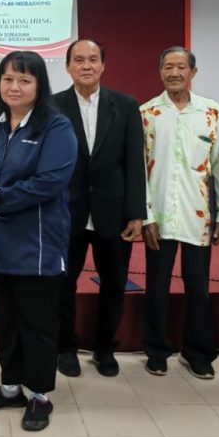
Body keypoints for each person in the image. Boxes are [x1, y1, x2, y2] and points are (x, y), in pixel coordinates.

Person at [0, 50, 77, 432]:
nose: (14, 86)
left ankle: (40, 395)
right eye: (8, 78)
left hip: (35, 246)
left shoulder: (56, 127)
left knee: (37, 326)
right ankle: (10, 387)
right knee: (5, 322)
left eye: (25, 80)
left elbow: (48, 183)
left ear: (39, 85)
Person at [52, 39, 146, 377]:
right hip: (66, 214)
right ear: (68, 66)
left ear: (103, 65)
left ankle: (105, 348)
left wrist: (136, 213)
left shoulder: (126, 105)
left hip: (113, 213)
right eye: (78, 60)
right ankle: (66, 347)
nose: (86, 66)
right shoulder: (52, 106)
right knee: (63, 285)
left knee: (114, 284)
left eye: (93, 59)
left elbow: (134, 162)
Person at [140, 47, 219, 379]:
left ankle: (198, 353)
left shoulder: (213, 112)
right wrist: (146, 215)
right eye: (168, 66)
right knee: (156, 287)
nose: (174, 72)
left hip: (199, 215)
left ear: (194, 72)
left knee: (198, 287)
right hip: (159, 215)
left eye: (181, 67)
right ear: (160, 71)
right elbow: (139, 170)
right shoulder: (147, 113)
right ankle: (156, 351)